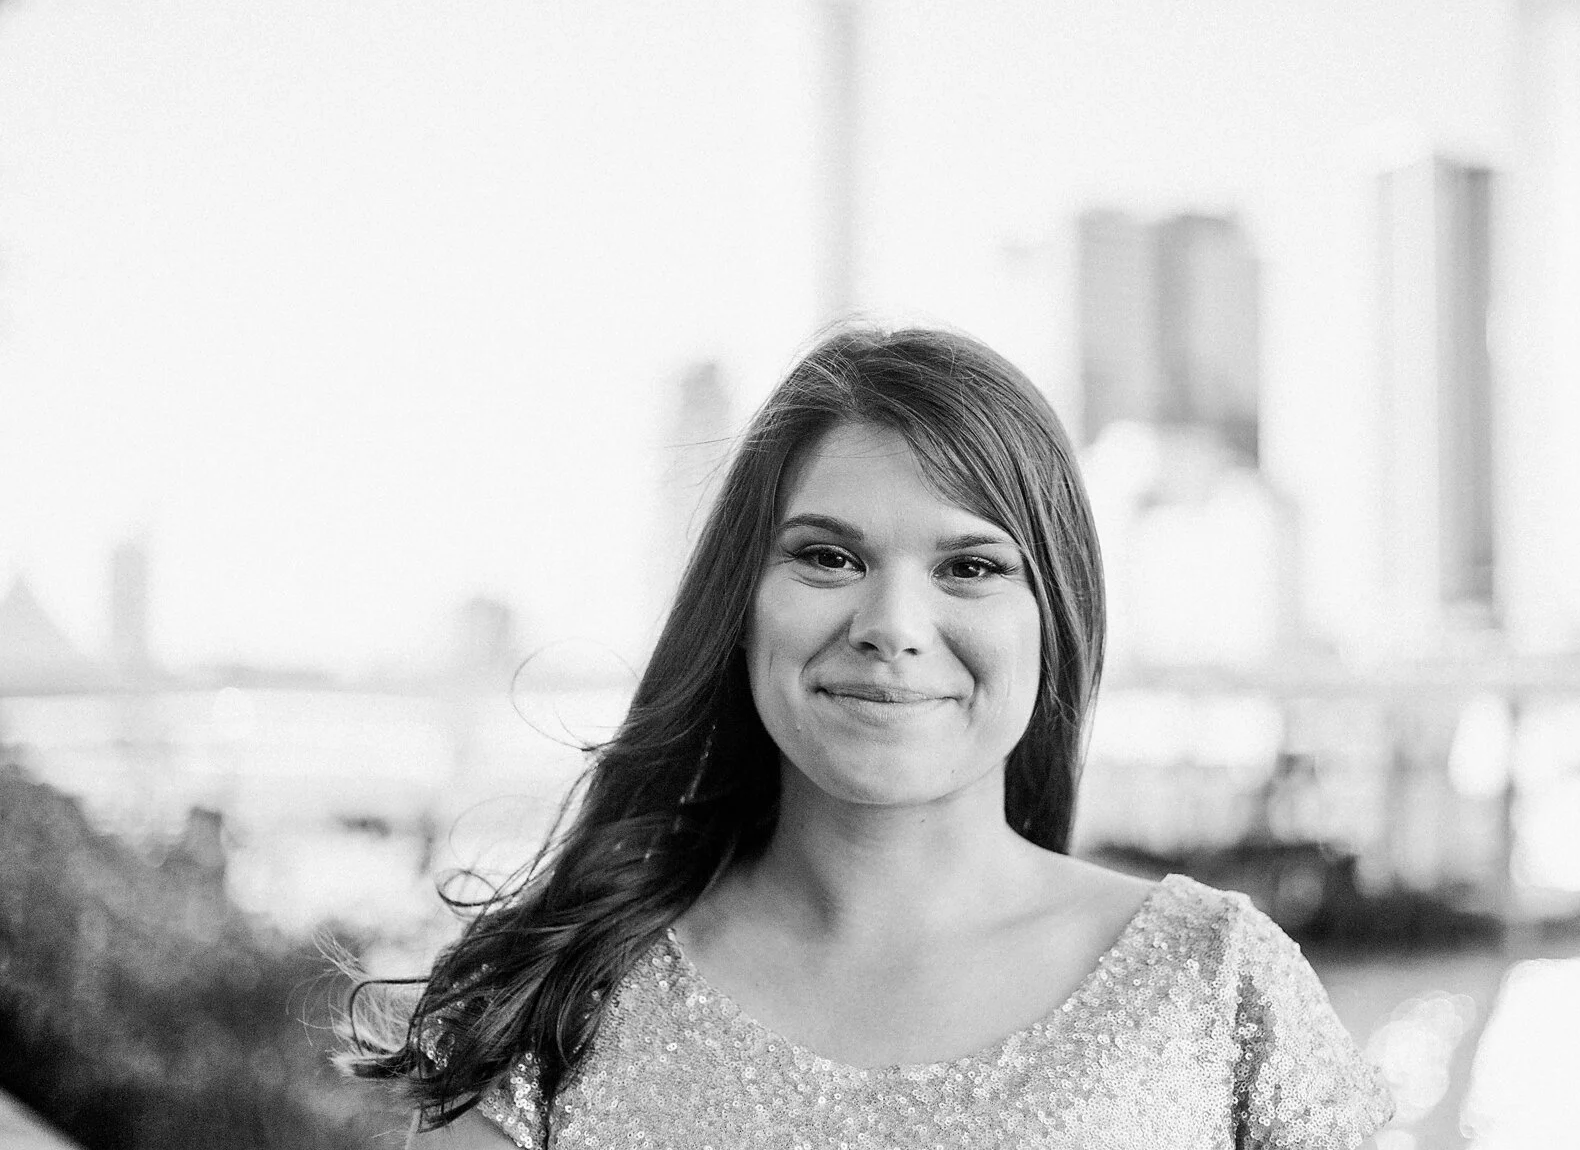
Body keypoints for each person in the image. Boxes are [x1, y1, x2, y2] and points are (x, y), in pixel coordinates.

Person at [343, 325, 1393, 1148]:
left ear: (1056, 622)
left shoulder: (1217, 982)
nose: (892, 626)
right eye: (828, 558)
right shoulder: (560, 996)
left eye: (969, 567)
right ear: (740, 605)